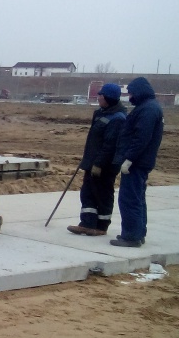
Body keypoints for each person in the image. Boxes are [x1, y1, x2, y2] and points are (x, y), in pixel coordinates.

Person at [109, 77, 164, 248]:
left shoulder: (148, 109)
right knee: (137, 198)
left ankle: (131, 236)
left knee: (129, 199)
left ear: (139, 92)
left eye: (131, 93)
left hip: (136, 162)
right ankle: (138, 233)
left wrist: (129, 159)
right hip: (140, 161)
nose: (130, 96)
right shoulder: (148, 107)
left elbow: (141, 137)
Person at [67, 83, 126, 236]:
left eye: (101, 95)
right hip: (92, 162)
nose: (98, 97)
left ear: (109, 98)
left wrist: (99, 164)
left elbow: (110, 145)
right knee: (88, 192)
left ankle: (101, 226)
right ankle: (87, 223)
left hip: (105, 165)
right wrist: (88, 160)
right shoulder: (100, 113)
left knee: (103, 194)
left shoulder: (118, 118)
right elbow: (95, 141)